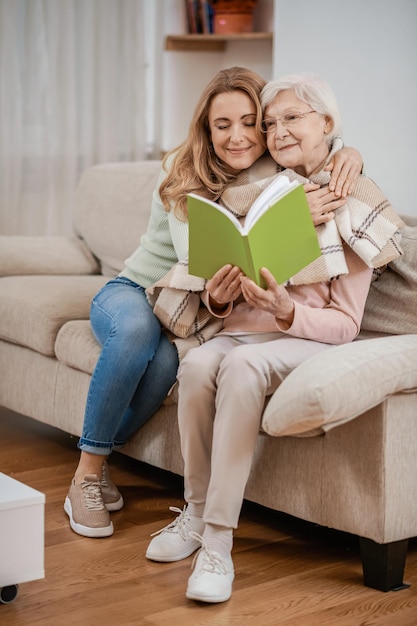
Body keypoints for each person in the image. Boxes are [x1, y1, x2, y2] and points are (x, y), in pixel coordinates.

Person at [64, 67, 362, 539]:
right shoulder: (183, 168)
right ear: (206, 128)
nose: (240, 136)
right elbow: (198, 260)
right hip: (136, 292)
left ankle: (109, 457)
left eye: (251, 122)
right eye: (222, 125)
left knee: (166, 365)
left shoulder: (270, 169)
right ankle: (86, 474)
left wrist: (349, 152)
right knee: (140, 334)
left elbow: (315, 150)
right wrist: (289, 219)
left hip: (186, 315)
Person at [145, 73, 404, 603]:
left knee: (240, 369)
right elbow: (223, 293)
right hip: (240, 332)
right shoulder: (262, 190)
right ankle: (193, 515)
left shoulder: (348, 201)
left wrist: (287, 312)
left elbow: (346, 325)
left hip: (303, 338)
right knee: (194, 366)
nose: (277, 131)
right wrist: (217, 298)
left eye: (293, 119)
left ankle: (218, 541)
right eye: (272, 122)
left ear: (326, 125)